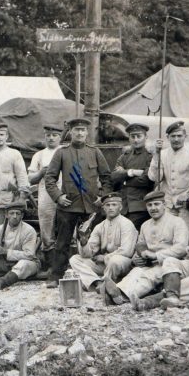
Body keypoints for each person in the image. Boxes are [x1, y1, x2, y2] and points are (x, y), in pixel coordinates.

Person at [44, 118, 112, 288]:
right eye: (76, 130)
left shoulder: (95, 152)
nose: (80, 133)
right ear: (70, 132)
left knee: (90, 242)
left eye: (83, 130)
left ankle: (92, 275)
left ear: (87, 132)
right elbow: (50, 178)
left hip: (91, 206)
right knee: (62, 242)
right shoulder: (61, 153)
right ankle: (56, 275)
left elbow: (106, 177)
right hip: (68, 205)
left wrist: (102, 196)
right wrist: (58, 197)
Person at [103, 191, 189, 306]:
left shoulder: (177, 222)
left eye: (156, 204)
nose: (153, 208)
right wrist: (136, 259)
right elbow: (140, 246)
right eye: (150, 205)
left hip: (170, 265)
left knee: (149, 277)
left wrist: (157, 256)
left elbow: (181, 248)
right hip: (149, 264)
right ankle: (116, 293)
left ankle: (122, 296)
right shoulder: (145, 225)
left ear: (164, 204)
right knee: (135, 272)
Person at [67, 193, 137, 302]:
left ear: (120, 207)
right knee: (75, 259)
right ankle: (99, 284)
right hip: (105, 264)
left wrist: (104, 258)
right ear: (103, 208)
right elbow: (88, 254)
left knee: (115, 260)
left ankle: (107, 284)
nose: (111, 208)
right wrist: (84, 242)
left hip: (123, 263)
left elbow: (127, 251)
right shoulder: (100, 226)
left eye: (114, 205)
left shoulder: (126, 224)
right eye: (107, 205)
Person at [148, 121, 189, 240]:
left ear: (185, 137)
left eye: (179, 136)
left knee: (186, 234)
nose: (176, 139)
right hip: (167, 203)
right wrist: (156, 154)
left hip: (186, 204)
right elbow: (154, 177)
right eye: (173, 136)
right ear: (167, 137)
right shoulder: (162, 154)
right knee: (165, 234)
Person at [0, 123, 30, 235]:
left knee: (13, 232)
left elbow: (22, 177)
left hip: (10, 201)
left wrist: (22, 198)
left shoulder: (14, 154)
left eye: (1, 134)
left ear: (6, 136)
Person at [28, 124, 63, 271]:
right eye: (48, 135)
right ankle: (50, 265)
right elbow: (30, 178)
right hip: (46, 196)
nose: (51, 138)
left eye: (54, 135)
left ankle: (65, 263)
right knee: (46, 229)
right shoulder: (39, 155)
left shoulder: (66, 152)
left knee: (65, 227)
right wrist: (41, 172)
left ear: (60, 137)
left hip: (65, 194)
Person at [111, 123, 153, 231]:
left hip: (140, 206)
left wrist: (124, 180)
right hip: (123, 206)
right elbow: (114, 177)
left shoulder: (150, 156)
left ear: (146, 137)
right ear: (129, 138)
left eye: (139, 136)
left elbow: (146, 180)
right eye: (132, 136)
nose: (136, 140)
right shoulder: (124, 156)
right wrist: (131, 172)